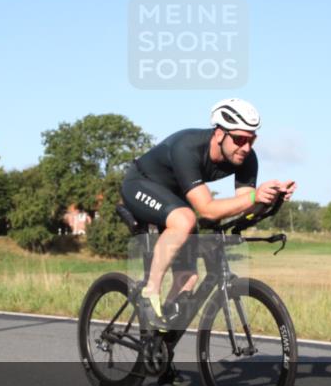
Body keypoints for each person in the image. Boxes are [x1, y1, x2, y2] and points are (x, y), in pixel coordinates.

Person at [121, 98, 295, 331]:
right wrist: (254, 197)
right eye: (240, 139)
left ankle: (157, 346)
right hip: (140, 183)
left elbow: (244, 206)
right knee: (185, 219)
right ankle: (149, 293)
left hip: (176, 199)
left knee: (188, 278)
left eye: (251, 140)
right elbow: (206, 208)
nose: (246, 147)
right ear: (220, 133)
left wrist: (270, 200)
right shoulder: (187, 147)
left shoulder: (246, 158)